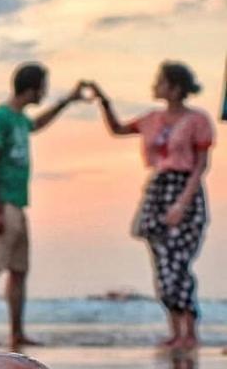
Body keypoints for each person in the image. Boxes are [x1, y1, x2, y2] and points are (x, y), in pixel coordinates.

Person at [90, 63, 214, 351]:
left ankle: (189, 331)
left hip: (185, 189)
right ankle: (174, 331)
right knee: (161, 262)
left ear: (175, 87)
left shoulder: (197, 120)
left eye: (160, 81)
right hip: (158, 188)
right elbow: (119, 129)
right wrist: (103, 101)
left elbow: (201, 165)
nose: (155, 86)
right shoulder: (152, 118)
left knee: (178, 262)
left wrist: (182, 203)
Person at [0, 63, 86, 351]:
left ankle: (17, 333)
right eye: (44, 87)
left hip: (17, 202)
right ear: (33, 88)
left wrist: (66, 102)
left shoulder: (20, 120)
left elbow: (37, 124)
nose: (45, 93)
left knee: (19, 269)